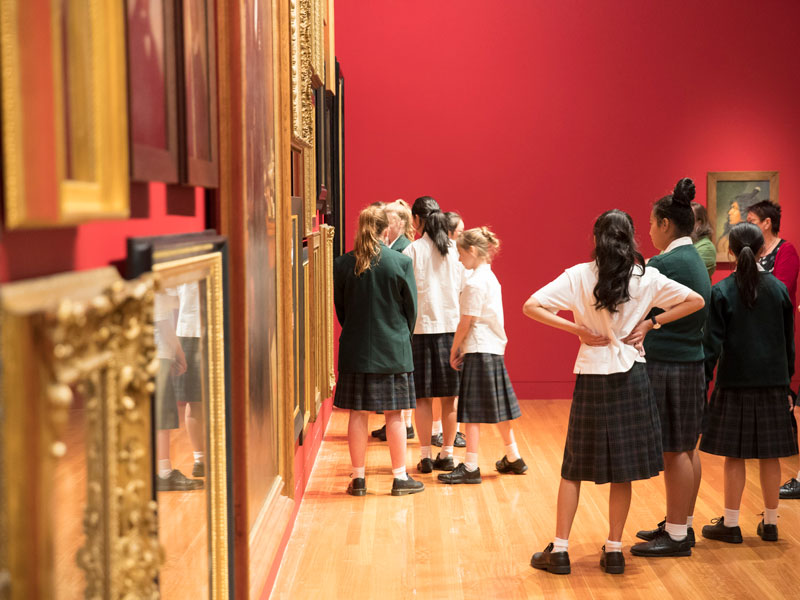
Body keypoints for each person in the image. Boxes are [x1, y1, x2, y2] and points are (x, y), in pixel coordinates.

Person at [523, 209, 704, 575]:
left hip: (592, 374)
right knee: (622, 470)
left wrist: (577, 331)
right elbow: (696, 301)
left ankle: (559, 551)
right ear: (632, 237)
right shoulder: (646, 276)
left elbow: (532, 306)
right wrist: (651, 323)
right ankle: (615, 549)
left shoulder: (578, 275)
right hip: (631, 376)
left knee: (573, 468)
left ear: (597, 238)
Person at [628, 179, 711, 558]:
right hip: (691, 362)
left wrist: (650, 323)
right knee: (687, 449)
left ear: (665, 223)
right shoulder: (693, 258)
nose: (647, 230)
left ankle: (676, 536)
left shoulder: (664, 263)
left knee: (675, 450)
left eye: (650, 223)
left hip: (669, 365)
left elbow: (638, 310)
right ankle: (682, 524)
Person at [700, 222, 797, 542]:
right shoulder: (779, 289)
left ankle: (730, 524)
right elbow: (788, 342)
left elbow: (711, 344)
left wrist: (704, 381)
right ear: (762, 250)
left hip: (734, 382)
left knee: (735, 456)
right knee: (771, 455)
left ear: (729, 250)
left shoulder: (721, 291)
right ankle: (770, 524)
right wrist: (787, 386)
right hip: (772, 383)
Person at [333, 205, 424, 496]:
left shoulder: (343, 264)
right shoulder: (399, 263)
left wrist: (357, 332)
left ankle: (358, 480)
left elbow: (341, 310)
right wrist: (399, 336)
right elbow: (411, 311)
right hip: (393, 350)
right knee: (395, 415)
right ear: (387, 229)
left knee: (357, 414)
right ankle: (399, 478)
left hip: (355, 349)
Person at [438, 227, 525, 484]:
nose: (459, 259)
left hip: (478, 348)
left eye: (461, 254)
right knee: (497, 408)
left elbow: (467, 321)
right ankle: (513, 457)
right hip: (492, 348)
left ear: (473, 251)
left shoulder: (475, 281)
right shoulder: (489, 277)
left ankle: (471, 466)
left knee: (472, 410)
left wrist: (455, 348)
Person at [404, 196, 465, 474]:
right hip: (452, 331)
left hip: (420, 332)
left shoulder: (412, 251)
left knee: (422, 399)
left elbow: (404, 296)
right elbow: (465, 290)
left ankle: (426, 456)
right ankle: (448, 454)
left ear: (416, 221)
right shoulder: (456, 250)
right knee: (450, 397)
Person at [745, 201, 800, 500]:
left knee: (778, 386)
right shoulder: (755, 252)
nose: (748, 223)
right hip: (753, 328)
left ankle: (781, 440)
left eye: (752, 219)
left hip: (776, 329)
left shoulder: (785, 250)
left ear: (767, 223)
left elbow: (781, 288)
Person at [691, 201, 716, 278]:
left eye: (688, 217)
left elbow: (685, 275)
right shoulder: (676, 241)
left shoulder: (706, 247)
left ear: (699, 223)